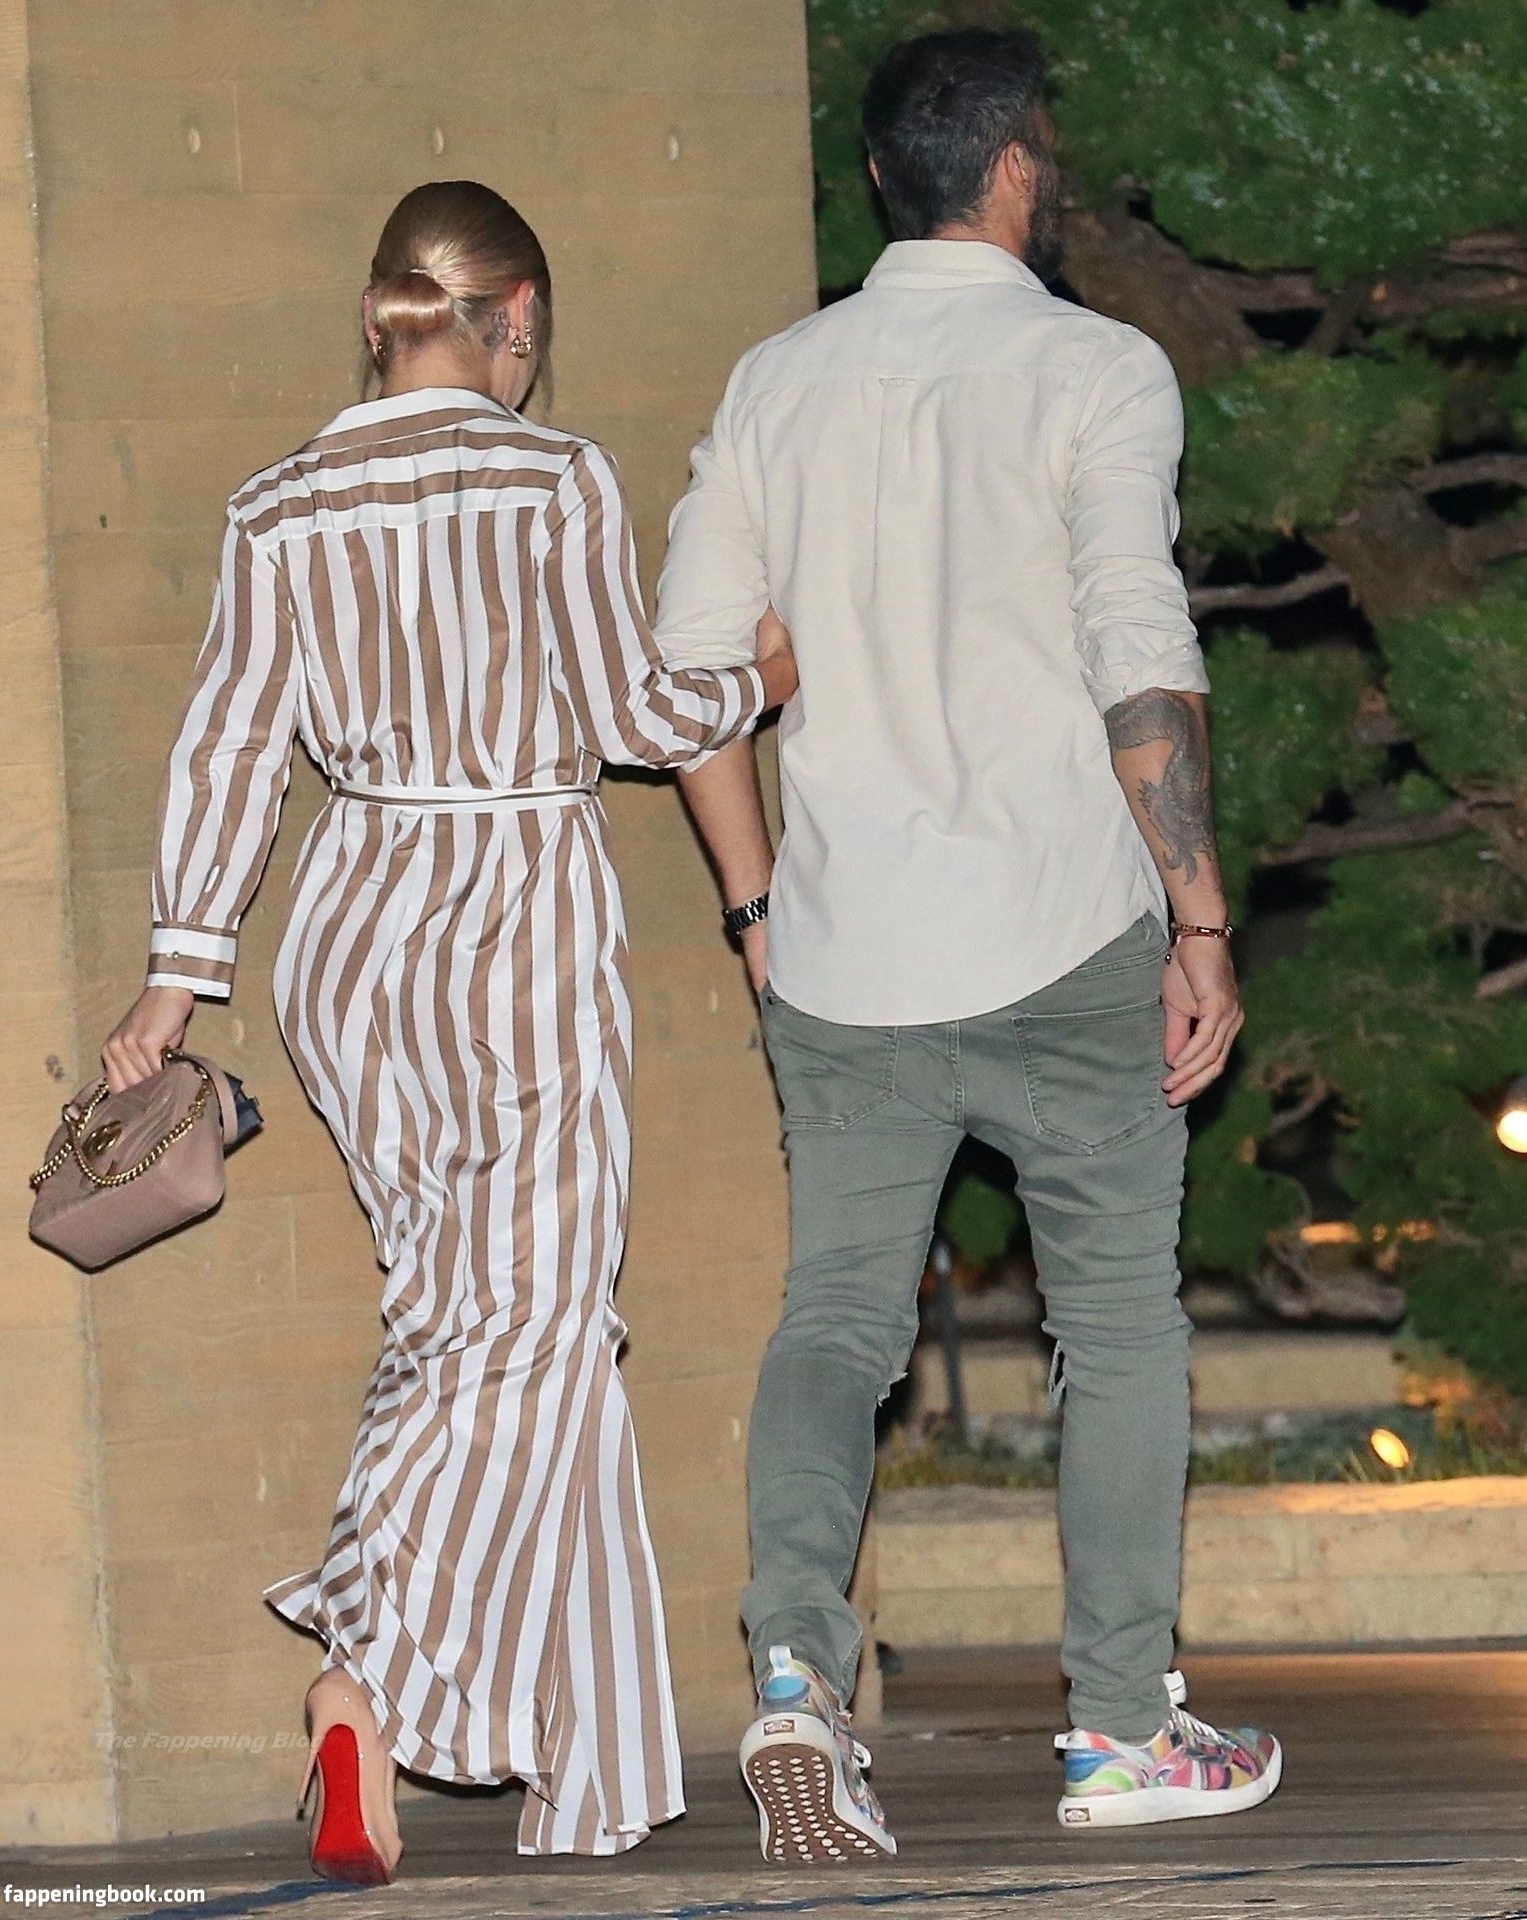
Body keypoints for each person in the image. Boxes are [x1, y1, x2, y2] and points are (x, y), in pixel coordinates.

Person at [101, 180, 797, 1881]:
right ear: (519, 318)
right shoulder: (553, 476)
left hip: (349, 931)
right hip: (514, 911)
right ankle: (368, 1669)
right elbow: (635, 712)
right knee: (534, 1322)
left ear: (379, 315)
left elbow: (227, 749)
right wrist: (762, 681)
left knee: (474, 1320)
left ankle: (589, 1765)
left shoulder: (278, 504)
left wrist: (175, 980)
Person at [656, 30, 1281, 1860]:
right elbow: (1138, 649)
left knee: (835, 1323)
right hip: (1067, 933)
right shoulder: (1099, 368)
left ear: (882, 180)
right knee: (1118, 1327)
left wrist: (758, 904)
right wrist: (1199, 914)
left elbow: (690, 687)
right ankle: (1118, 1730)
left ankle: (795, 1677)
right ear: (1019, 169)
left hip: (847, 950)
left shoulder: (776, 382)